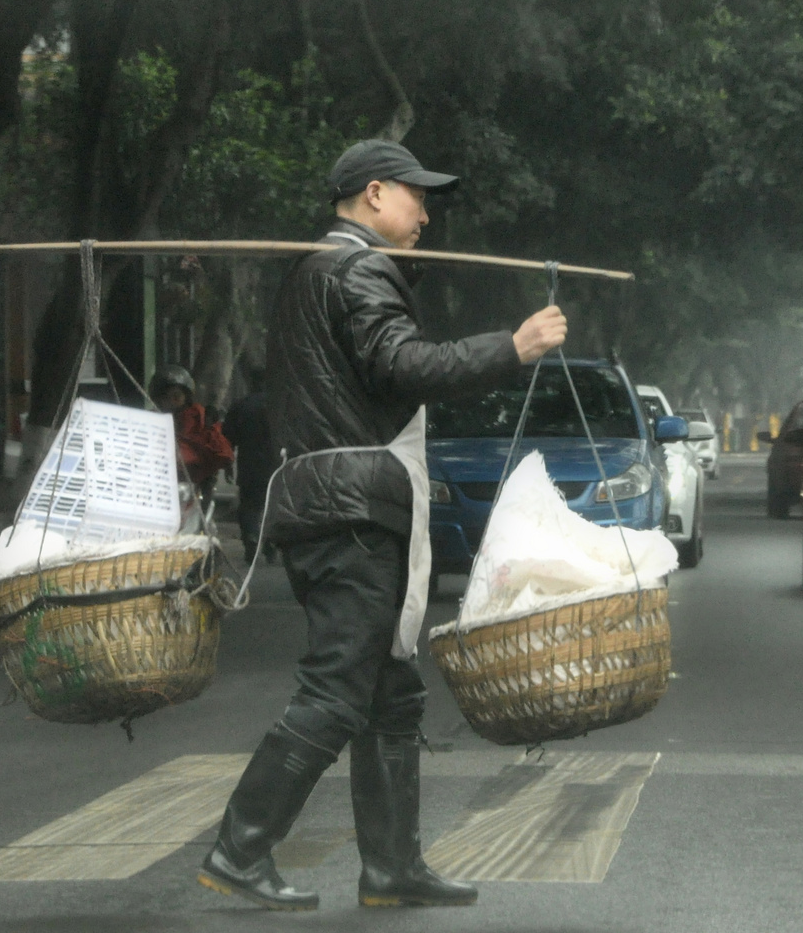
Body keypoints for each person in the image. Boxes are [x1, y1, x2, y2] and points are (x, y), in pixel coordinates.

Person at [196, 139, 569, 910]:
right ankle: (240, 846)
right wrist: (514, 346)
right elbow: (402, 367)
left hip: (332, 501)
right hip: (351, 511)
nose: (425, 213)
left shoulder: (316, 272)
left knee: (390, 693)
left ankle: (391, 868)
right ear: (373, 193)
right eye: (415, 197)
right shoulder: (357, 270)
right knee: (337, 687)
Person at [150, 364, 233, 494]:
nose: (171, 401)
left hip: (191, 486)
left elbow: (221, 453)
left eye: (176, 396)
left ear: (186, 397)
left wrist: (210, 426)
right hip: (156, 483)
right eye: (165, 397)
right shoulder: (151, 419)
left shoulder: (196, 417)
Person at [221, 370, 273, 555]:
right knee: (272, 503)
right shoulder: (279, 405)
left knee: (250, 504)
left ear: (252, 383)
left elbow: (226, 438)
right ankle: (270, 540)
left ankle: (251, 535)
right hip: (276, 464)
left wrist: (227, 464)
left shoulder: (241, 406)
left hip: (248, 464)